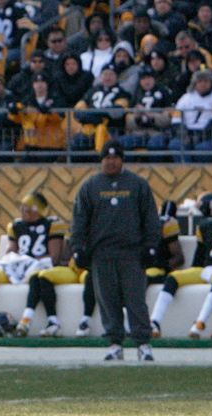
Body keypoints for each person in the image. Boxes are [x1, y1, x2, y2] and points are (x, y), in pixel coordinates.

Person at [69, 139, 161, 361]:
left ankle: (143, 343)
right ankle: (114, 343)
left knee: (135, 300)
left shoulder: (137, 185)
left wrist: (150, 246)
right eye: (107, 158)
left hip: (131, 253)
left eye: (115, 158)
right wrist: (78, 247)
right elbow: (80, 220)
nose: (111, 162)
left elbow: (150, 218)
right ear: (101, 160)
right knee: (107, 300)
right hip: (101, 254)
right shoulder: (90, 187)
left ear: (122, 160)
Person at [0, 192, 66, 337]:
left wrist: (31, 262)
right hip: (19, 266)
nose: (22, 211)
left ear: (36, 210)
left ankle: (26, 321)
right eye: (22, 207)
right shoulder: (16, 226)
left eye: (26, 208)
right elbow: (10, 251)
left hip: (38, 265)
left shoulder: (52, 225)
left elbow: (54, 257)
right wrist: (9, 261)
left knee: (36, 279)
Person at [149, 191, 212, 337]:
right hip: (207, 269)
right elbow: (199, 255)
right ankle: (154, 321)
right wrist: (193, 270)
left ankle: (200, 323)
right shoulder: (205, 226)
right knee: (174, 277)